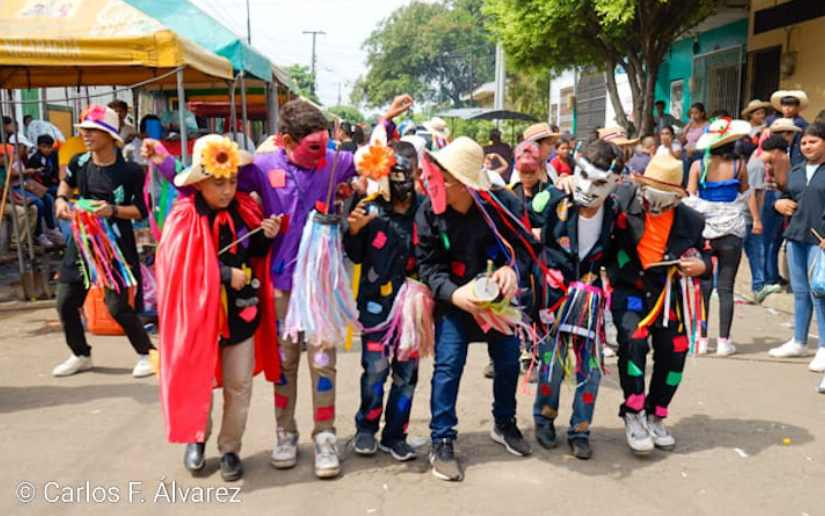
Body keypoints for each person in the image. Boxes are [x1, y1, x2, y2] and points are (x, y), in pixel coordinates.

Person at [237, 95, 411, 478]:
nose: (321, 154)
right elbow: (216, 183)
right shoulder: (263, 167)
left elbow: (373, 156)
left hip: (323, 287)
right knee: (285, 365)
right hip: (281, 286)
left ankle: (325, 435)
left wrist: (385, 119)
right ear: (284, 140)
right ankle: (285, 433)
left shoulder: (334, 162)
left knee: (322, 362)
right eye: (312, 147)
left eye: (324, 145)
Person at [155, 134, 282, 482]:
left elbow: (254, 251)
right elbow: (179, 267)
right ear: (200, 182)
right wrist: (227, 274)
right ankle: (196, 437)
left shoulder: (245, 208)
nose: (227, 189)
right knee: (198, 378)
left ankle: (230, 447)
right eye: (218, 182)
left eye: (232, 180)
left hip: (241, 314)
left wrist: (265, 235)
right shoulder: (183, 216)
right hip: (198, 318)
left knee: (238, 384)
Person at [416, 137, 534, 481]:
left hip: (498, 302)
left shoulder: (503, 204)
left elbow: (525, 249)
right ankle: (442, 439)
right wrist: (454, 295)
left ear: (466, 183)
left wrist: (512, 268)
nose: (433, 181)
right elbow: (428, 267)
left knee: (509, 360)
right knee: (448, 365)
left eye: (443, 177)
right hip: (455, 301)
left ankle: (504, 423)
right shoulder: (429, 210)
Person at [606, 153, 709, 454]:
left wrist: (701, 266)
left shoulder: (691, 220)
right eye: (651, 196)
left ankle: (656, 413)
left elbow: (705, 255)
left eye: (665, 199)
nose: (656, 204)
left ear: (677, 197)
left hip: (668, 295)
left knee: (676, 350)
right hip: (631, 289)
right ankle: (634, 412)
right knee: (633, 343)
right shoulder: (621, 200)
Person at [530, 139, 623, 459]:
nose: (589, 187)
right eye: (584, 176)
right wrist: (555, 188)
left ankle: (580, 430)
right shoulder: (559, 199)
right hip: (553, 295)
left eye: (600, 182)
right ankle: (544, 420)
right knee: (551, 364)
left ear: (612, 184)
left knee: (590, 368)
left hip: (590, 299)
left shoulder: (614, 210)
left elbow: (618, 250)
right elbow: (529, 212)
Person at [51, 105, 155, 378]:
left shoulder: (131, 171)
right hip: (82, 240)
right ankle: (80, 353)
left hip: (115, 246)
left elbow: (142, 211)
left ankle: (148, 354)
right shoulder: (79, 163)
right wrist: (61, 200)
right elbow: (66, 184)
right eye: (84, 130)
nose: (86, 135)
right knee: (65, 301)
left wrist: (112, 210)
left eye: (93, 130)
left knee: (118, 307)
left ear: (111, 136)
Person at [344, 150, 422, 462]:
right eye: (395, 173)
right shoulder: (369, 207)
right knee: (375, 370)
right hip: (375, 304)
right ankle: (366, 428)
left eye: (408, 173)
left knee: (407, 374)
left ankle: (395, 435)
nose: (402, 181)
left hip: (414, 308)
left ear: (417, 172)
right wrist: (354, 231)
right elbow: (356, 254)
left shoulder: (427, 209)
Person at [687, 119, 751, 355]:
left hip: (705, 231)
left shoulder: (697, 166)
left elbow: (690, 198)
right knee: (726, 288)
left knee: (703, 285)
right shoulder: (739, 164)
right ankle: (724, 341)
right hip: (732, 231)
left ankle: (701, 339)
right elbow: (745, 194)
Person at [770, 123, 825, 374]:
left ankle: (824, 348)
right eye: (803, 143)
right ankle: (799, 341)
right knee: (800, 292)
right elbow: (788, 197)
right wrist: (779, 204)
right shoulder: (797, 170)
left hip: (820, 241)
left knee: (820, 293)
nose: (807, 146)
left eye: (813, 141)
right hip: (796, 236)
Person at [744, 135, 786, 304]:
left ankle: (759, 285)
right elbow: (752, 194)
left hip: (752, 214)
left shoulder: (760, 164)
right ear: (776, 152)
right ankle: (759, 285)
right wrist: (756, 219)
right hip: (750, 215)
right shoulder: (756, 165)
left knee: (756, 249)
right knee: (756, 248)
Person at [8, 134, 61, 248]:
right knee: (38, 203)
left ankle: (51, 228)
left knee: (48, 198)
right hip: (14, 188)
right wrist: (29, 172)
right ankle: (39, 233)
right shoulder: (9, 157)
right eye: (24, 147)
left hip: (25, 184)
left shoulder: (22, 158)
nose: (26, 149)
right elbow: (11, 175)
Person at [769, 90, 809, 167]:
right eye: (784, 105)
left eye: (791, 105)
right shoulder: (776, 122)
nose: (787, 108)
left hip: (796, 160)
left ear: (797, 107)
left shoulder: (802, 124)